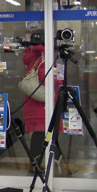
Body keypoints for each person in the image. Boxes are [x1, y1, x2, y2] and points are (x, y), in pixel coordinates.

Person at [22, 30, 62, 163]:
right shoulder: (44, 59)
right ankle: (54, 166)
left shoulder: (34, 58)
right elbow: (50, 82)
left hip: (35, 105)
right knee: (44, 137)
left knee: (41, 137)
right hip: (43, 107)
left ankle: (38, 165)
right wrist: (60, 77)